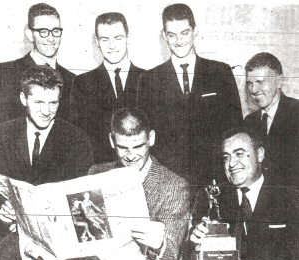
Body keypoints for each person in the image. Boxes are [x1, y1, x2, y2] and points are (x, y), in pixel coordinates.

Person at [45, 108, 190, 260]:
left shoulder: (174, 185)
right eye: (122, 147)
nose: (130, 156)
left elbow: (172, 255)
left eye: (138, 146)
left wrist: (158, 244)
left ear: (151, 138)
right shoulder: (96, 173)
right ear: (112, 141)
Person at [0, 65, 94, 260]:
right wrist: (2, 210)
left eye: (53, 103)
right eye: (39, 102)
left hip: (58, 243)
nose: (46, 110)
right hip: (8, 237)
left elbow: (79, 201)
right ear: (23, 99)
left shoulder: (76, 140)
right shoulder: (2, 135)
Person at [137, 3, 242, 196]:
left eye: (185, 33)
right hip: (167, 188)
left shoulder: (220, 72)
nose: (179, 41)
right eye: (172, 35)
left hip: (215, 183)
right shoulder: (148, 80)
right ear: (163, 36)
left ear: (196, 31)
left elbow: (236, 131)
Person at [191, 127, 298, 260]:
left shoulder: (290, 199)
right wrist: (195, 244)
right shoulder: (209, 197)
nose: (232, 163)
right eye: (226, 157)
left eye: (239, 154)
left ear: (260, 154)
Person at [70, 12, 145, 165]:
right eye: (105, 39)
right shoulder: (82, 84)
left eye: (118, 38)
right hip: (100, 172)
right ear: (96, 42)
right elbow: (80, 140)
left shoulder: (148, 78)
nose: (112, 46)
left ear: (128, 38)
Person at [0, 3, 75, 123]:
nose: (51, 39)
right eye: (43, 31)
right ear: (30, 35)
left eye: (55, 31)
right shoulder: (4, 74)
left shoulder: (73, 81)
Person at [244, 52, 299, 186]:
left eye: (260, 82)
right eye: (250, 83)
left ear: (279, 81)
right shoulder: (249, 121)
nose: (254, 90)